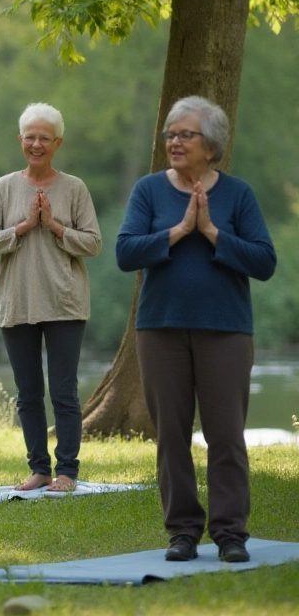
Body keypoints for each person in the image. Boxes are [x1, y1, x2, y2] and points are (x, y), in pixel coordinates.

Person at [117, 96, 275, 564]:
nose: (174, 141)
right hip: (160, 329)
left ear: (211, 145)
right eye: (170, 133)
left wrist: (210, 231)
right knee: (171, 433)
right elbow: (127, 254)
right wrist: (178, 231)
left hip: (225, 331)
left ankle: (230, 534)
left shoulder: (237, 194)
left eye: (185, 134)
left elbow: (264, 262)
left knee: (226, 434)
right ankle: (182, 532)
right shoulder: (148, 191)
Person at [0, 103, 101, 494]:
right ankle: (39, 470)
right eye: (29, 137)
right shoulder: (5, 187)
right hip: (18, 303)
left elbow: (94, 243)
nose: (36, 144)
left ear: (57, 143)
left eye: (44, 138)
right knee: (28, 393)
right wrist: (26, 226)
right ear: (20, 140)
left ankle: (67, 471)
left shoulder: (74, 188)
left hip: (64, 303)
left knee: (63, 391)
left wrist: (55, 226)